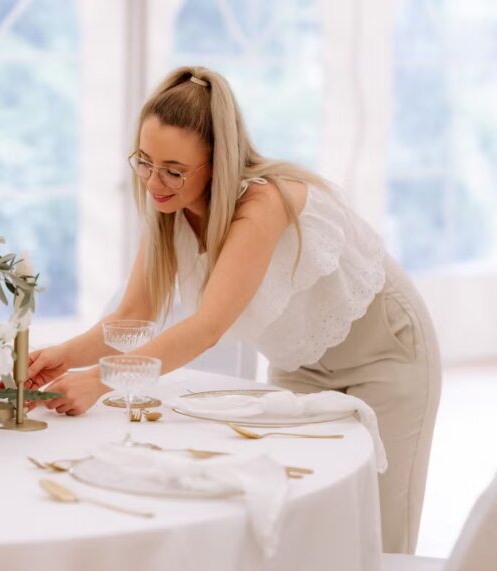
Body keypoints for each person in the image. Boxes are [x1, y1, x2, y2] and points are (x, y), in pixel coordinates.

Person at [25, 66, 440, 554]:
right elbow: (131, 317)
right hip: (300, 362)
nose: (154, 182)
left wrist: (99, 380)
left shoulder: (263, 203)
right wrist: (62, 356)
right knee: (295, 509)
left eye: (174, 170)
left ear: (218, 164)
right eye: (144, 161)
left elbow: (207, 328)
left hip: (387, 353)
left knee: (382, 530)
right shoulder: (168, 210)